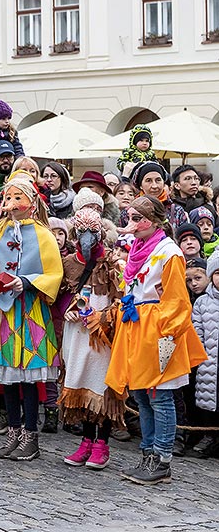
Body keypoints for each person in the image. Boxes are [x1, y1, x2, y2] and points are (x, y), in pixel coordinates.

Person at [106, 196, 207, 484]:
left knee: (159, 396)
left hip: (157, 331)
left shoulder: (169, 252)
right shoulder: (137, 247)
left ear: (157, 220)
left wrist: (166, 335)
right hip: (136, 326)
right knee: (141, 395)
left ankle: (161, 459)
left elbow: (177, 300)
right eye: (130, 218)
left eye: (139, 219)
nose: (132, 225)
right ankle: (148, 454)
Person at [0, 174, 63, 461]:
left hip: (30, 312)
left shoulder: (43, 234)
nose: (11, 204)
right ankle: (14, 432)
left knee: (28, 378)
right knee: (9, 378)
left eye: (17, 198)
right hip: (3, 312)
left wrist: (26, 282)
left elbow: (54, 273)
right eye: (8, 198)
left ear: (31, 202)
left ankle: (31, 435)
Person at [58, 206, 126, 471]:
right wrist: (69, 309)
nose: (87, 237)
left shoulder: (112, 262)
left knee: (101, 385)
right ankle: (86, 441)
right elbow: (59, 294)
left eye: (92, 232)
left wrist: (103, 317)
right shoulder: (68, 263)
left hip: (102, 336)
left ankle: (102, 444)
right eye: (82, 232)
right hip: (76, 334)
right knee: (80, 381)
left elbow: (121, 299)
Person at [191, 253, 219, 458]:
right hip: (210, 361)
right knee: (208, 402)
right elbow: (197, 333)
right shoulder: (201, 303)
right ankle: (208, 435)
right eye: (217, 273)